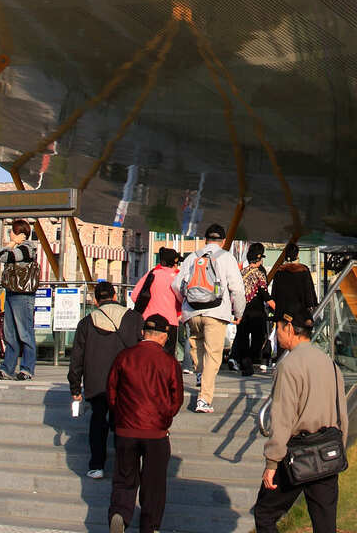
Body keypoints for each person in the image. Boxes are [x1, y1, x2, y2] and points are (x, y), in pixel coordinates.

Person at [252, 305, 347, 533]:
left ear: (289, 328)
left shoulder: (288, 365)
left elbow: (282, 419)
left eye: (278, 327)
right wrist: (340, 448)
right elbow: (342, 413)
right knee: (325, 526)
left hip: (296, 454)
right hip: (327, 450)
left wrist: (271, 462)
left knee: (265, 514)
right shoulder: (330, 363)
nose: (277, 333)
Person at [106, 314, 184, 533]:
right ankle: (150, 526)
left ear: (143, 333)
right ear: (164, 337)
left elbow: (111, 392)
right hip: (156, 432)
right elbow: (176, 399)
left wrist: (120, 415)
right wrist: (165, 418)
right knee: (154, 484)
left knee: (124, 479)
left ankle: (120, 512)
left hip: (126, 429)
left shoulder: (124, 356)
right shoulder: (169, 362)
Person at [69, 280, 143, 479]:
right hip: (125, 382)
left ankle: (96, 465)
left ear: (95, 301)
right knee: (123, 423)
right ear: (115, 296)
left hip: (97, 382)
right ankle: (123, 466)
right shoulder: (134, 318)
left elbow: (76, 358)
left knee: (98, 421)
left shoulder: (86, 322)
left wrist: (75, 387)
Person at [172, 224, 246, 414]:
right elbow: (237, 289)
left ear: (205, 239)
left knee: (197, 347)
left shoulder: (193, 257)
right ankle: (204, 399)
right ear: (223, 241)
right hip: (216, 312)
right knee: (213, 355)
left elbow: (176, 284)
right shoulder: (227, 258)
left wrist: (185, 302)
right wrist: (238, 313)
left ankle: (201, 375)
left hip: (192, 312)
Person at [0, 219, 40, 380]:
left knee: (25, 333)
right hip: (12, 292)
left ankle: (27, 369)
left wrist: (12, 243)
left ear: (19, 233)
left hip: (23, 295)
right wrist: (13, 243)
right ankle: (7, 368)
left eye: (12, 231)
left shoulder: (27, 248)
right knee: (10, 333)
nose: (10, 234)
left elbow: (2, 256)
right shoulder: (20, 248)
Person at [131, 248, 183, 355]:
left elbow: (134, 296)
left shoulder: (151, 274)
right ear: (174, 264)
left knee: (146, 354)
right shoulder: (178, 278)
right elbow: (182, 299)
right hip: (170, 322)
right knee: (166, 357)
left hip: (148, 321)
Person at [231, 243, 270, 376]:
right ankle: (251, 361)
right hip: (257, 313)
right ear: (259, 259)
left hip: (241, 311)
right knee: (258, 338)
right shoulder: (260, 273)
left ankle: (245, 363)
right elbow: (265, 295)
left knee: (242, 338)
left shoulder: (241, 272)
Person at [267, 243, 317, 318]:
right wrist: (312, 304)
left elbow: (275, 291)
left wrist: (272, 309)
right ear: (297, 254)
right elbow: (309, 290)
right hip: (300, 312)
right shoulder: (304, 270)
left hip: (283, 312)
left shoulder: (279, 271)